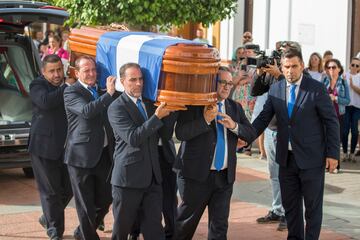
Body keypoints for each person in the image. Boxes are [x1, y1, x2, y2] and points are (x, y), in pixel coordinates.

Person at [251, 48, 340, 240]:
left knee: (312, 209)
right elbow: (262, 119)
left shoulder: (316, 88)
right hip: (286, 160)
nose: (290, 71)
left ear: (301, 66)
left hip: (312, 160)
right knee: (291, 208)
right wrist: (245, 135)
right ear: (281, 68)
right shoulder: (275, 89)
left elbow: (331, 122)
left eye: (294, 66)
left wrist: (333, 155)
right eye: (286, 67)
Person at [174, 66, 256, 239]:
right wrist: (205, 120)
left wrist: (234, 126)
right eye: (222, 82)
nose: (226, 86)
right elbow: (181, 133)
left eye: (229, 83)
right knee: (185, 225)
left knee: (219, 227)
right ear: (212, 83)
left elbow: (250, 133)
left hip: (224, 178)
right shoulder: (195, 105)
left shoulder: (234, 107)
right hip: (196, 176)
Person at [107, 62, 174, 240]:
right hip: (127, 180)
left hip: (152, 179)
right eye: (133, 80)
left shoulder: (150, 103)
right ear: (122, 81)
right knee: (121, 231)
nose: (138, 83)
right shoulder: (116, 107)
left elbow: (165, 134)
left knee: (155, 230)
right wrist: (157, 117)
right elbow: (134, 138)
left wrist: (173, 108)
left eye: (141, 79)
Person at [64, 56, 116, 240]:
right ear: (77, 73)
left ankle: (81, 231)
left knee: (107, 197)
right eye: (87, 70)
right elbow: (87, 111)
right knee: (85, 204)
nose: (92, 74)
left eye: (94, 70)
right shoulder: (71, 92)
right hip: (80, 156)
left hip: (103, 154)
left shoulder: (100, 90)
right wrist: (108, 94)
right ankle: (88, 236)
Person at [28, 54, 73, 240]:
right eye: (52, 71)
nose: (57, 74)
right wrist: (66, 86)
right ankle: (55, 231)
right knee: (51, 191)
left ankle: (48, 217)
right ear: (43, 72)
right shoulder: (37, 85)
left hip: (66, 148)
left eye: (59, 70)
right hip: (43, 147)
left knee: (69, 189)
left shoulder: (68, 86)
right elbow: (46, 102)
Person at [322, 58, 350, 173]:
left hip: (339, 116)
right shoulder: (324, 81)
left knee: (335, 140)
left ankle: (336, 166)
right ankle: (325, 164)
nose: (331, 69)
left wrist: (336, 98)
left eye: (334, 67)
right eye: (329, 67)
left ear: (339, 69)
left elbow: (347, 100)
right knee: (324, 139)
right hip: (325, 116)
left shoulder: (343, 82)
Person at [342, 57, 360, 162]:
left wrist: (353, 86)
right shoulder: (344, 75)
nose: (354, 67)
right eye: (353, 65)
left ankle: (352, 153)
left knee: (354, 130)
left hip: (357, 107)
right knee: (345, 131)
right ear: (349, 65)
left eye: (357, 66)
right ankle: (345, 153)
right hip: (346, 106)